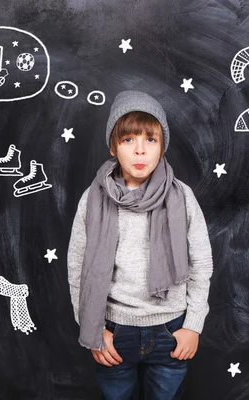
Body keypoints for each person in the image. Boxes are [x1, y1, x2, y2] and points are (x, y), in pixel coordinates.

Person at [67, 90, 214, 399]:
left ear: (162, 148)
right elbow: (78, 266)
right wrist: (92, 329)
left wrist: (193, 325)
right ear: (113, 147)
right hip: (114, 330)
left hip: (171, 329)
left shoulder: (181, 196)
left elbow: (201, 262)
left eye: (150, 140)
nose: (139, 151)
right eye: (128, 140)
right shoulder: (93, 199)